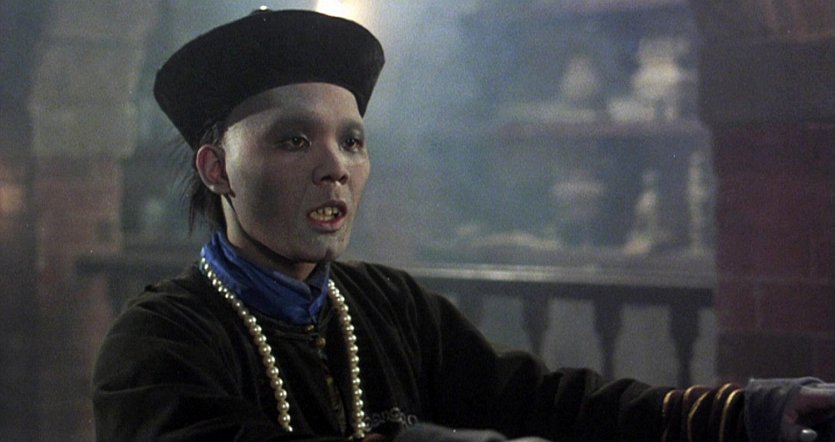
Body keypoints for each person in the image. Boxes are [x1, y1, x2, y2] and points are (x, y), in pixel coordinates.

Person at [91, 8, 834, 442]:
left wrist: (746, 413)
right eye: (293, 140)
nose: (335, 168)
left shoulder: (389, 306)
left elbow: (553, 401)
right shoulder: (157, 344)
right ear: (216, 168)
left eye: (352, 140)